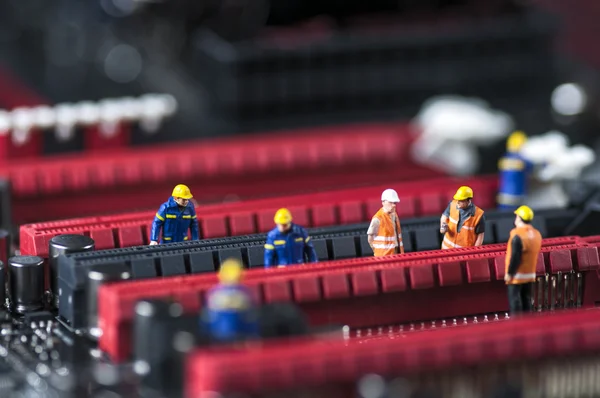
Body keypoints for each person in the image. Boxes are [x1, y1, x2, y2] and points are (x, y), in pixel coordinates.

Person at [202, 258, 258, 342]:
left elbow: (250, 318)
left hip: (238, 332)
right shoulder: (215, 292)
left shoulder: (244, 292)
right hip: (220, 333)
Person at [504, 205, 542, 315]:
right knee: (527, 300)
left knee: (515, 300)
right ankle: (527, 323)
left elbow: (515, 256)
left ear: (519, 218)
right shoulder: (536, 234)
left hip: (517, 276)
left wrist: (510, 273)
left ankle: (516, 323)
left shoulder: (517, 234)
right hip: (530, 274)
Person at [497, 131, 535, 210]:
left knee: (504, 216)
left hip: (504, 194)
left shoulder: (504, 158)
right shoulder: (522, 160)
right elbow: (532, 167)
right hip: (517, 195)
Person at [367, 189, 404, 256]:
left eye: (395, 203)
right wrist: (377, 250)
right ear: (383, 202)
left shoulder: (394, 215)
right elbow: (370, 238)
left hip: (396, 252)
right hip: (383, 255)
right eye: (391, 202)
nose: (393, 205)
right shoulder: (377, 218)